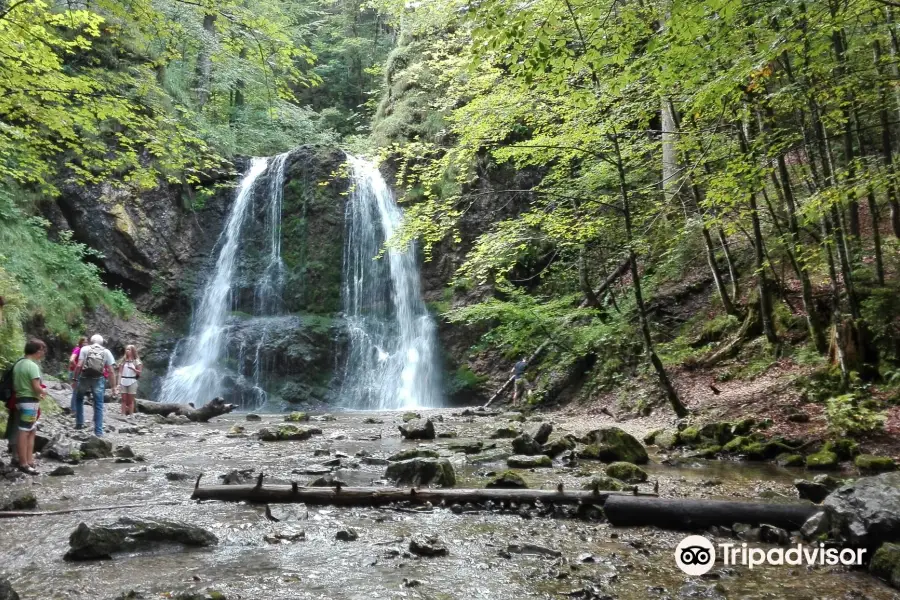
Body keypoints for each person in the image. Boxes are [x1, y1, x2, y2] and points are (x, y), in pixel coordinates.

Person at [13, 338, 47, 475]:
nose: (43, 353)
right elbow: (36, 387)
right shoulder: (32, 366)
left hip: (20, 399)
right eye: (42, 350)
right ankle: (24, 463)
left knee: (31, 430)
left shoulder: (19, 363)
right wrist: (44, 391)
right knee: (25, 431)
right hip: (30, 402)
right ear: (37, 351)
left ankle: (29, 459)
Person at [74, 334, 117, 437]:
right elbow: (111, 371)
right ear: (102, 342)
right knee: (98, 405)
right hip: (98, 379)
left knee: (79, 399)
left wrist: (74, 379)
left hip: (84, 377)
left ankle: (79, 423)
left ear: (91, 341)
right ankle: (98, 431)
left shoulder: (84, 349)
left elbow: (79, 365)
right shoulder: (106, 352)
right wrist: (113, 387)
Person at [117, 345, 142, 416]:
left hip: (132, 381)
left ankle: (131, 414)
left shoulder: (136, 361)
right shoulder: (123, 361)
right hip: (123, 380)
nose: (127, 351)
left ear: (133, 351)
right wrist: (118, 384)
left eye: (129, 349)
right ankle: (123, 414)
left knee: (130, 400)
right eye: (126, 349)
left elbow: (139, 373)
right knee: (123, 399)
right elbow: (120, 373)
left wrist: (134, 369)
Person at [68, 336, 87, 410]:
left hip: (75, 372)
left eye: (87, 342)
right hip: (75, 372)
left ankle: (75, 408)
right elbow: (71, 360)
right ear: (81, 342)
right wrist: (77, 368)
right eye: (85, 342)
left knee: (77, 391)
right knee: (76, 391)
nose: (86, 343)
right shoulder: (78, 349)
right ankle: (74, 409)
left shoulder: (82, 350)